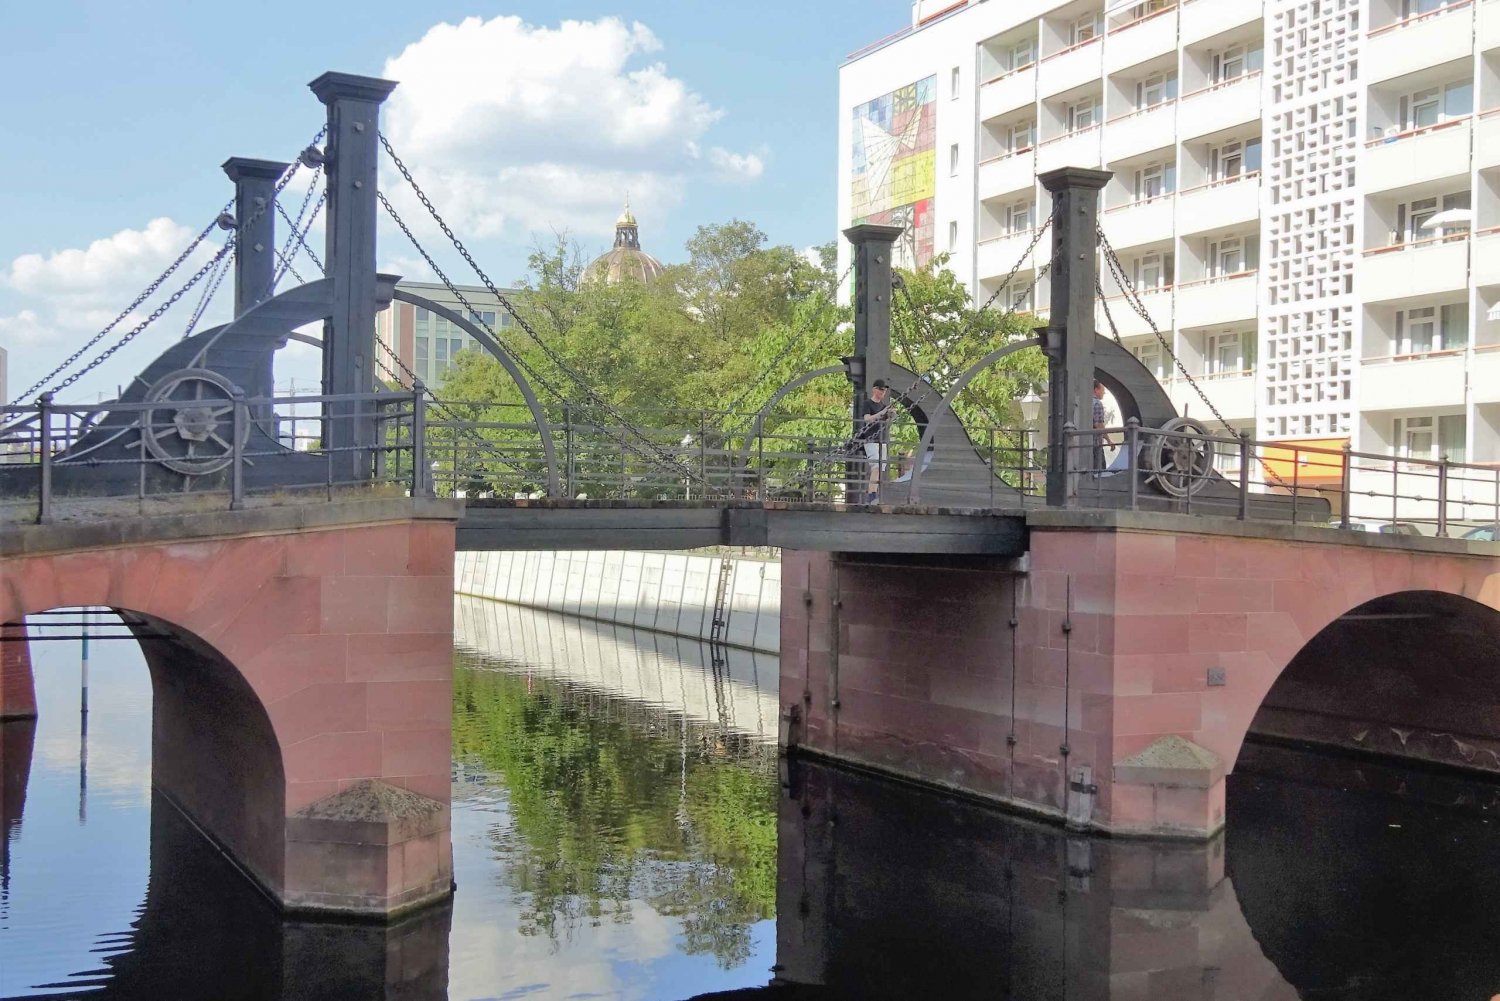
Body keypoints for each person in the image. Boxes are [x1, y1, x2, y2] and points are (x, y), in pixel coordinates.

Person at [857, 379, 895, 503]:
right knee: (876, 466)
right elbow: (867, 419)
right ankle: (872, 494)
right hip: (871, 439)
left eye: (884, 390)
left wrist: (890, 414)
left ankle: (874, 493)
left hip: (881, 440)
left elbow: (887, 423)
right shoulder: (868, 403)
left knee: (880, 467)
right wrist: (882, 413)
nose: (882, 392)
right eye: (880, 389)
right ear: (874, 390)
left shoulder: (884, 406)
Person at [1092, 380, 1110, 471]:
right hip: (1096, 443)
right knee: (1100, 470)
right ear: (1096, 390)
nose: (1104, 393)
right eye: (1103, 390)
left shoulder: (1085, 402)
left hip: (1085, 443)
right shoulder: (1097, 404)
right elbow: (1099, 425)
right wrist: (1109, 440)